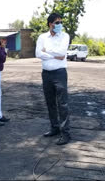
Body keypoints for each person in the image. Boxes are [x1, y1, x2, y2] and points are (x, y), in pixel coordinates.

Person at [35, 13, 71, 145]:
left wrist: (47, 51)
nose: (60, 25)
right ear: (50, 24)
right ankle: (54, 128)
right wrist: (53, 54)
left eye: (61, 22)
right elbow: (38, 53)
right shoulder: (42, 37)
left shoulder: (65, 36)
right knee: (50, 102)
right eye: (57, 22)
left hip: (60, 74)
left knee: (63, 104)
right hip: (46, 74)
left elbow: (62, 53)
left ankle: (65, 133)